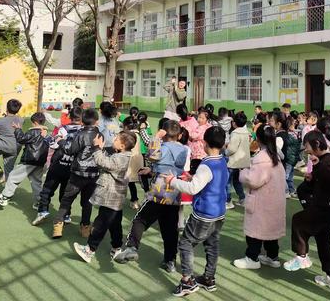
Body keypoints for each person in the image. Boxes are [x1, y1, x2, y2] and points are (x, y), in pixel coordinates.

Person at [113, 120, 188, 272]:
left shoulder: (163, 147)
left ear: (164, 133)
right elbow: (170, 167)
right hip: (174, 195)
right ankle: (170, 260)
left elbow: (152, 155)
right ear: (179, 135)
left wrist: (156, 138)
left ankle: (132, 247)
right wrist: (153, 170)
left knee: (140, 220)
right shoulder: (184, 150)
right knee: (170, 230)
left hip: (158, 194)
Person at [165, 126, 228, 296]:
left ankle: (187, 281)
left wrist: (173, 181)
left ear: (204, 143)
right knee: (212, 245)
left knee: (185, 243)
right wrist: (193, 177)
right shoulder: (222, 161)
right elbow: (210, 182)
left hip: (204, 214)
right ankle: (209, 278)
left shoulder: (206, 165)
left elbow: (192, 189)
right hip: (219, 212)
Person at [284, 130, 330, 291]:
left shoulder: (328, 164)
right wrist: (312, 178)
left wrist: (315, 175)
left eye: (307, 146)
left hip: (326, 209)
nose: (306, 150)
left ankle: (301, 256)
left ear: (317, 144)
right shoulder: (324, 162)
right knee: (323, 241)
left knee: (298, 220)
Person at [74, 131, 135, 263]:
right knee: (115, 224)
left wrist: (96, 148)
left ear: (123, 145)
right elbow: (108, 161)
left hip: (110, 196)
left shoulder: (120, 158)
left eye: (117, 139)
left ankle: (89, 250)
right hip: (116, 198)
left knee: (99, 225)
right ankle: (117, 248)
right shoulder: (125, 156)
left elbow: (103, 162)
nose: (114, 139)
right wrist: (101, 149)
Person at [233, 124, 286, 270]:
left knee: (255, 231)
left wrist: (243, 171)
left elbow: (254, 180)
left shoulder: (262, 159)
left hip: (261, 201)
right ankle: (272, 257)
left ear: (259, 139)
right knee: (271, 232)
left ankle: (252, 257)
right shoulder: (275, 155)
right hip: (275, 200)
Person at [52, 108, 102, 239]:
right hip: (93, 174)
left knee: (67, 199)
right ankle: (85, 227)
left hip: (77, 173)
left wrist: (61, 141)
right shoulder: (100, 135)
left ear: (83, 121)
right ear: (96, 121)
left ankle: (58, 226)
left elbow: (70, 150)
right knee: (87, 202)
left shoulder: (80, 134)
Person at [32, 107, 83, 226]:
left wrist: (47, 137)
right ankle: (66, 215)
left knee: (47, 191)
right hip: (71, 168)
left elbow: (53, 144)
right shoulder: (84, 132)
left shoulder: (64, 129)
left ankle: (43, 211)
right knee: (65, 194)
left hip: (58, 165)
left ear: (69, 117)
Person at [0, 112, 50, 207]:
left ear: (34, 122)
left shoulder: (33, 131)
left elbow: (21, 139)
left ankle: (4, 197)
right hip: (40, 162)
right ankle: (39, 203)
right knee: (36, 183)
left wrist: (17, 129)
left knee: (13, 177)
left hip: (29, 160)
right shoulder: (46, 133)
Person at [0, 99, 23, 182]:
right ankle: (7, 193)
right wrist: (7, 116)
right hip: (15, 148)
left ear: (6, 108)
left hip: (3, 146)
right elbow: (10, 122)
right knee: (8, 171)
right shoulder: (21, 120)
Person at [225, 111, 249, 209]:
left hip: (233, 162)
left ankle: (228, 201)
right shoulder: (246, 132)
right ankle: (242, 199)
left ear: (234, 123)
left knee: (228, 183)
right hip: (242, 162)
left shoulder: (235, 133)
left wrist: (226, 152)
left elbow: (231, 149)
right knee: (237, 182)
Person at [189, 109, 211, 175]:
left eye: (202, 118)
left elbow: (193, 135)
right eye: (199, 117)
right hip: (204, 153)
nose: (200, 119)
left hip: (198, 154)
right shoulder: (208, 126)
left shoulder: (201, 127)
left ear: (207, 120)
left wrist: (189, 132)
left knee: (195, 171)